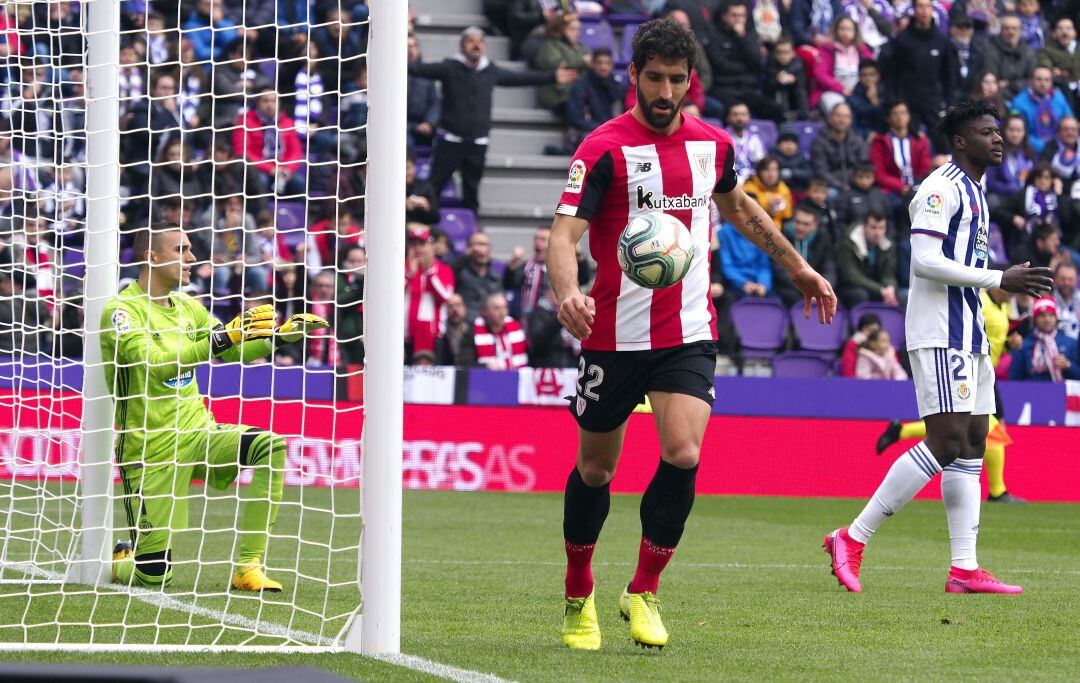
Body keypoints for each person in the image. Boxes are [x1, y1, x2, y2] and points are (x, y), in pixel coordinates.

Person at [550, 19, 836, 650]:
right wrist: (567, 291)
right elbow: (563, 235)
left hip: (687, 330)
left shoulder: (712, 145)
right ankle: (578, 591)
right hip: (613, 335)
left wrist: (799, 267)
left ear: (690, 82)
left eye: (677, 79)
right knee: (596, 470)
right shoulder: (602, 149)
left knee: (683, 453)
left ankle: (644, 590)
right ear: (633, 76)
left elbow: (740, 209)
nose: (665, 90)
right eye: (654, 77)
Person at [824, 100, 1053, 595]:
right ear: (959, 141)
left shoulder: (976, 190)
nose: (998, 138)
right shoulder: (939, 188)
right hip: (939, 331)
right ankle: (850, 537)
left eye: (999, 131)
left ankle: (964, 569)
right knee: (946, 442)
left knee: (973, 445)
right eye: (987, 131)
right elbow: (925, 261)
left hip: (969, 331)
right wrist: (1000, 277)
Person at [104, 226, 327, 592]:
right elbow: (157, 364)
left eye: (191, 249)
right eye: (182, 249)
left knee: (270, 446)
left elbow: (232, 350)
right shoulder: (121, 313)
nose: (192, 257)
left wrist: (279, 338)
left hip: (198, 435)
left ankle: (248, 567)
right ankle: (124, 560)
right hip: (148, 452)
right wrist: (221, 339)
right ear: (152, 256)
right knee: (154, 577)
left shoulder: (189, 308)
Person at [407, 26, 577, 212]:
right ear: (462, 46)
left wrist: (551, 77)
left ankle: (472, 230)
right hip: (450, 139)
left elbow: (519, 78)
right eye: (471, 41)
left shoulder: (490, 70)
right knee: (434, 186)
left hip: (477, 141)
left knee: (472, 190)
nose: (476, 45)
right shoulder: (450, 68)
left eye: (480, 41)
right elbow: (419, 69)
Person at [878, 0, 957, 152]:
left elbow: (949, 76)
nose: (923, 11)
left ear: (932, 9)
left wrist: (950, 102)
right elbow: (891, 73)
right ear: (914, 10)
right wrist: (895, 101)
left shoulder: (942, 40)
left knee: (945, 145)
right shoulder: (902, 39)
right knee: (910, 147)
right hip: (907, 103)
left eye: (927, 6)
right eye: (920, 6)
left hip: (934, 101)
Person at [405, 225, 455, 362]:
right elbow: (391, 297)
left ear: (431, 246)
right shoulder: (401, 268)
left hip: (433, 337)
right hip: (405, 337)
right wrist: (409, 274)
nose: (417, 249)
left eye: (422, 244)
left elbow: (445, 297)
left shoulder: (443, 270)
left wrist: (429, 273)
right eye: (413, 244)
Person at [772, 206, 837, 307]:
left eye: (806, 224)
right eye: (797, 222)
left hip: (815, 287)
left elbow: (829, 267)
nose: (800, 227)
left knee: (831, 301)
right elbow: (778, 268)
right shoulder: (782, 236)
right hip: (790, 287)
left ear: (815, 226)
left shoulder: (823, 238)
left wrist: (823, 289)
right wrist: (805, 288)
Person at [870, 101, 932, 198]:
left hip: (918, 188)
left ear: (909, 116)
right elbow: (879, 174)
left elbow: (925, 169)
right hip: (891, 192)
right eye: (895, 113)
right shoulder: (880, 142)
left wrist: (916, 187)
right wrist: (902, 188)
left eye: (903, 113)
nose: (900, 117)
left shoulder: (920, 141)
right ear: (888, 118)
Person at [810, 16, 872, 114]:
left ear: (855, 32)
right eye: (842, 29)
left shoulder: (863, 49)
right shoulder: (827, 49)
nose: (845, 32)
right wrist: (841, 89)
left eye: (849, 29)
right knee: (840, 112)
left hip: (859, 89)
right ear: (836, 30)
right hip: (833, 90)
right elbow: (820, 74)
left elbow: (871, 69)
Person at [1009, 296, 1080, 380]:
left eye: (1051, 315)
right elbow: (1014, 378)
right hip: (1031, 391)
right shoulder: (1023, 345)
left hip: (1062, 390)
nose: (1047, 319)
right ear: (1035, 319)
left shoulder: (1070, 343)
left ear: (1056, 318)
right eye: (1042, 315)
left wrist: (1068, 365)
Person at [837, 211, 898, 307]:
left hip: (877, 288)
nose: (878, 233)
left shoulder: (888, 244)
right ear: (864, 227)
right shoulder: (849, 242)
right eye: (873, 227)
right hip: (850, 287)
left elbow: (889, 274)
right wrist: (880, 289)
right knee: (860, 294)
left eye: (881, 228)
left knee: (899, 295)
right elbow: (851, 276)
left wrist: (890, 288)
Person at [1009, 65, 1074, 154]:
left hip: (1060, 148)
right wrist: (1044, 148)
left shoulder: (1059, 98)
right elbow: (1017, 132)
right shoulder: (1019, 103)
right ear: (1031, 81)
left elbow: (1070, 122)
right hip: (1031, 151)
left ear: (1052, 82)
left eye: (1047, 80)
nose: (1043, 84)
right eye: (1039, 79)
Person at [565, 47, 625, 142]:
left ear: (612, 65)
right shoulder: (580, 86)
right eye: (599, 63)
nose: (603, 67)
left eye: (607, 63)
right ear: (592, 64)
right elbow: (575, 118)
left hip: (612, 132)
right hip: (588, 132)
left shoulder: (617, 87)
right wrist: (601, 129)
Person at [810, 102, 869, 195]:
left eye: (846, 116)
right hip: (832, 186)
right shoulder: (820, 141)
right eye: (838, 115)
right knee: (831, 194)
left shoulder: (857, 140)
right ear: (829, 118)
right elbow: (821, 171)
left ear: (851, 120)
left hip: (856, 184)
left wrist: (857, 183)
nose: (842, 120)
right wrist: (841, 186)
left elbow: (863, 165)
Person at [985, 13, 1038, 100]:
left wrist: (1011, 85)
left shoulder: (1028, 52)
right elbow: (992, 80)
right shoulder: (991, 51)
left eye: (1014, 28)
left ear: (1020, 31)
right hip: (998, 98)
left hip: (1024, 96)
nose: (1011, 32)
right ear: (1001, 30)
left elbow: (1032, 80)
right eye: (1007, 28)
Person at [453, 231, 502, 322]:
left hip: (488, 329)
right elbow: (447, 269)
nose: (482, 249)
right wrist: (466, 255)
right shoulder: (459, 273)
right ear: (469, 248)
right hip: (466, 326)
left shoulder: (495, 278)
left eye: (486, 245)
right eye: (478, 244)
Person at [473, 291, 528, 370]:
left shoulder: (516, 329)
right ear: (485, 312)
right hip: (486, 379)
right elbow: (466, 364)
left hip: (515, 378)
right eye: (497, 308)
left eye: (504, 307)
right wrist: (485, 367)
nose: (502, 312)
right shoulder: (473, 332)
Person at [743, 155, 793, 227]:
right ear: (759, 172)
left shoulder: (783, 189)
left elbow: (788, 215)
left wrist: (781, 205)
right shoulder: (749, 188)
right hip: (755, 228)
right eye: (766, 170)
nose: (771, 174)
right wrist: (768, 207)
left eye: (775, 170)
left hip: (778, 230)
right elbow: (749, 215)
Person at [1037, 17, 1080, 98]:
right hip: (1061, 86)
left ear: (1075, 32)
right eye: (1060, 28)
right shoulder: (1046, 50)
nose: (1064, 31)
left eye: (1068, 28)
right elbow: (1045, 63)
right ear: (1054, 33)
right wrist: (1052, 69)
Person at [725, 102, 766, 182]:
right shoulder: (722, 138)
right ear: (728, 117)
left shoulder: (755, 139)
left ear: (749, 117)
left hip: (752, 183)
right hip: (730, 183)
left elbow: (761, 164)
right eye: (735, 114)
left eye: (743, 114)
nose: (740, 118)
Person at [1053, 261, 1080, 340]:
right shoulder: (1047, 299)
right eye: (1063, 278)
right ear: (1055, 278)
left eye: (1070, 279)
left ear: (1076, 280)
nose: (1066, 283)